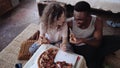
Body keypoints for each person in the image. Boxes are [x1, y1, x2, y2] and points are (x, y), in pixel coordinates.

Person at [67, 1, 103, 68]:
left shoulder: (97, 21)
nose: (76, 21)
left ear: (88, 17)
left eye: (80, 20)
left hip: (89, 44)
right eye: (75, 18)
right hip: (76, 47)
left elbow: (98, 43)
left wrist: (83, 40)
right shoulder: (70, 22)